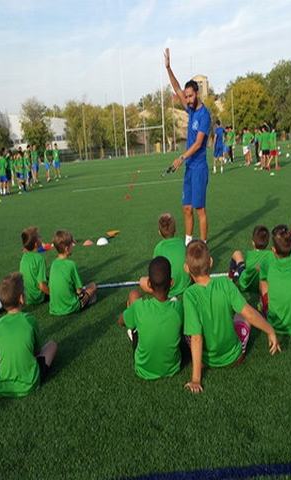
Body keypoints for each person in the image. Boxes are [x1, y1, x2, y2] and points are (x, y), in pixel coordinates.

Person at [183, 241, 281, 393]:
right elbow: (248, 312)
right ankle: (238, 335)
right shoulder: (226, 284)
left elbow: (196, 337)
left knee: (187, 330)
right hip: (234, 357)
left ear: (186, 268)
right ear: (210, 262)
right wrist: (270, 330)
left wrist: (196, 379)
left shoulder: (189, 295)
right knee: (244, 316)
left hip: (206, 360)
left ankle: (202, 361)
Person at [165, 48, 211, 245]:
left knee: (199, 209)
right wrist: (168, 68)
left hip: (199, 167)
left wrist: (181, 157)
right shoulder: (191, 110)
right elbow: (176, 88)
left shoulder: (204, 115)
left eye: (190, 96)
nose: (188, 99)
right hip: (189, 168)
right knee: (186, 208)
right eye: (186, 96)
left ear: (197, 93)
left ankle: (203, 245)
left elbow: (199, 143)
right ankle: (188, 242)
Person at [0, 273, 57, 398]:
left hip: (1, 386)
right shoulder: (30, 320)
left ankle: (5, 375)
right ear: (21, 298)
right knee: (52, 345)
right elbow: (37, 350)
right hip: (29, 383)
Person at [118, 257, 184, 380]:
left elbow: (120, 321)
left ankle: (134, 333)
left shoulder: (139, 307)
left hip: (143, 370)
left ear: (148, 284)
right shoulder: (178, 308)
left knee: (133, 295)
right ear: (171, 282)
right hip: (172, 368)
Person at [259, 225, 291, 336]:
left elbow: (262, 277)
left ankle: (263, 304)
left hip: (274, 324)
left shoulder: (268, 264)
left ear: (273, 250)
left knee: (262, 280)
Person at [141, 213, 190, 298]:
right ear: (175, 229)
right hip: (185, 286)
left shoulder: (158, 248)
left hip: (167, 290)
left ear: (159, 232)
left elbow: (156, 271)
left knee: (142, 281)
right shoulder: (182, 243)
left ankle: (166, 296)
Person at [49, 230, 97, 316]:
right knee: (93, 286)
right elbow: (79, 291)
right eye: (71, 245)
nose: (73, 246)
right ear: (67, 249)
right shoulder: (71, 264)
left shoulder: (53, 264)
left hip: (54, 308)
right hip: (71, 306)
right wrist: (87, 292)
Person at [229, 225, 274, 294]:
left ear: (253, 242)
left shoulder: (249, 254)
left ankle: (230, 278)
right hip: (261, 287)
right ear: (267, 242)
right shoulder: (270, 255)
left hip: (244, 284)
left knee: (237, 253)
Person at [19, 227, 49, 306]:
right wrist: (54, 295)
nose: (41, 237)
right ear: (36, 244)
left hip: (26, 297)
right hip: (37, 298)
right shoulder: (39, 258)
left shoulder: (24, 256)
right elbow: (42, 286)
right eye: (39, 237)